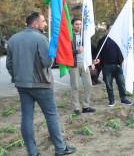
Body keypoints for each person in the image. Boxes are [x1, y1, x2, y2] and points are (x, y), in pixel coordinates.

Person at [6, 12, 76, 156]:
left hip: (22, 85)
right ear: (35, 23)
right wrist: (52, 53)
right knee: (51, 116)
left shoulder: (13, 39)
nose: (45, 24)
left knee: (26, 118)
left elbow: (9, 64)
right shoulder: (41, 38)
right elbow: (47, 63)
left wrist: (17, 77)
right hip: (42, 84)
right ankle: (60, 148)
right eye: (43, 21)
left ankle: (32, 152)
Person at [97, 24, 133, 107]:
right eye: (110, 29)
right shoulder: (102, 41)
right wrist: (98, 60)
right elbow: (98, 53)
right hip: (107, 66)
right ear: (107, 30)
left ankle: (123, 99)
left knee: (121, 83)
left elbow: (125, 48)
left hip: (118, 65)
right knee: (109, 85)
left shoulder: (119, 40)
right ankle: (111, 100)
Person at [69, 17, 97, 116]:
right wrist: (76, 51)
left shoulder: (84, 36)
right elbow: (65, 52)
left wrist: (92, 62)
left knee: (89, 85)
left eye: (80, 24)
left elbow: (89, 51)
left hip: (84, 64)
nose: (79, 26)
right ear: (72, 25)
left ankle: (85, 106)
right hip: (73, 64)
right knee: (75, 87)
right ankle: (76, 108)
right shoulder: (69, 36)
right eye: (76, 24)